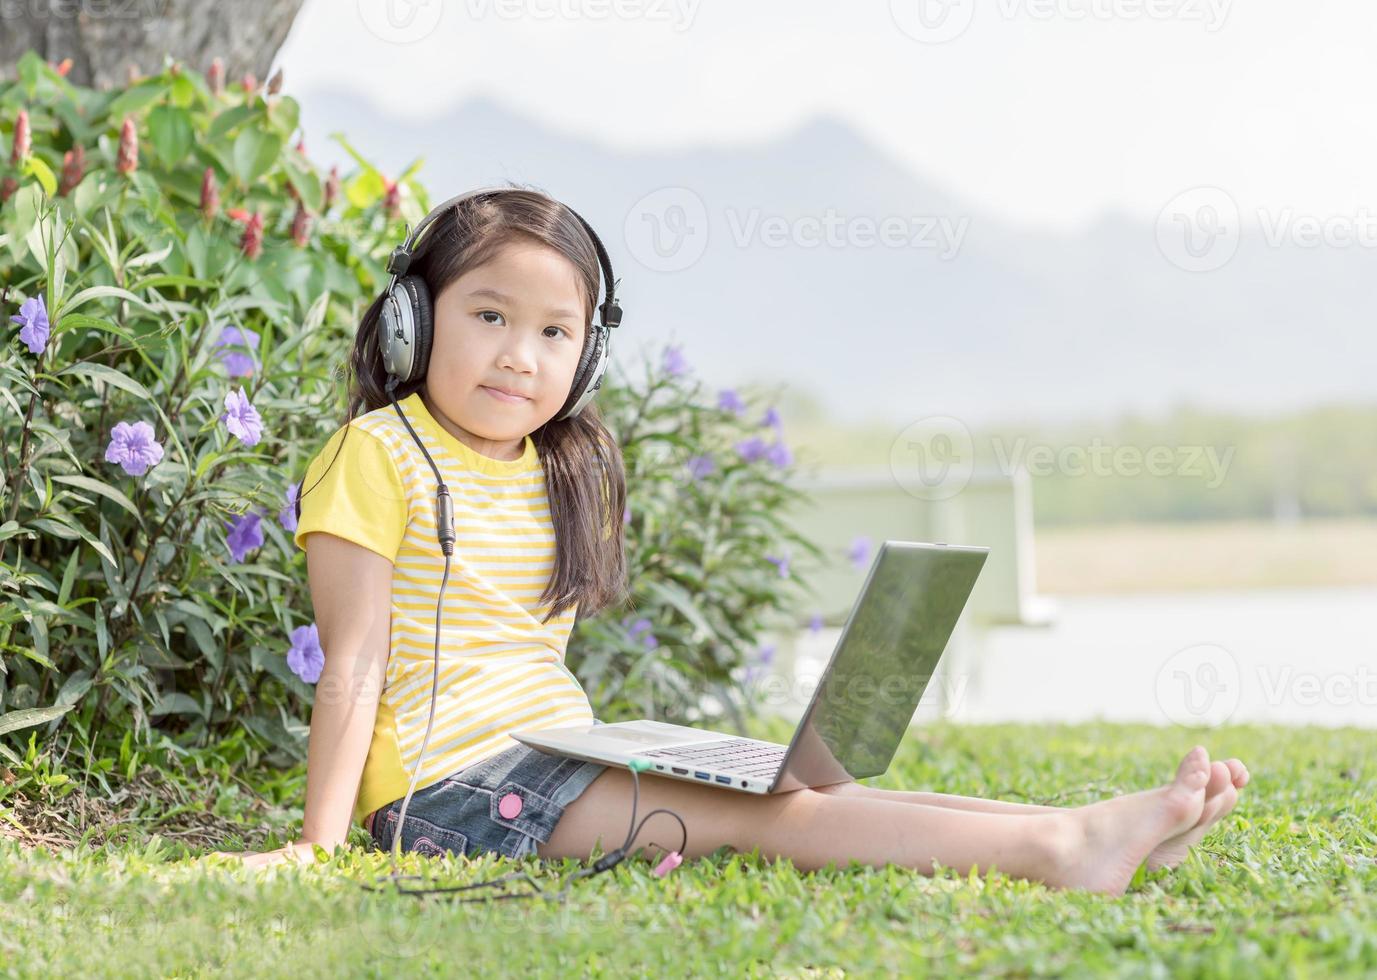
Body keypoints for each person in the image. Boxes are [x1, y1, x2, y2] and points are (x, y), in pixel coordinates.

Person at [213, 186, 1250, 895]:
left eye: (554, 332)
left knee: (802, 785)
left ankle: (1089, 824)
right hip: (447, 796)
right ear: (411, 319)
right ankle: (1063, 846)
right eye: (488, 315)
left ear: (588, 350)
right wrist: (321, 845)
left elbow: (529, 666)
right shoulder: (377, 452)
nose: (520, 357)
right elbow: (354, 661)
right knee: (773, 818)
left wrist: (634, 771)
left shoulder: (561, 467)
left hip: (561, 753)